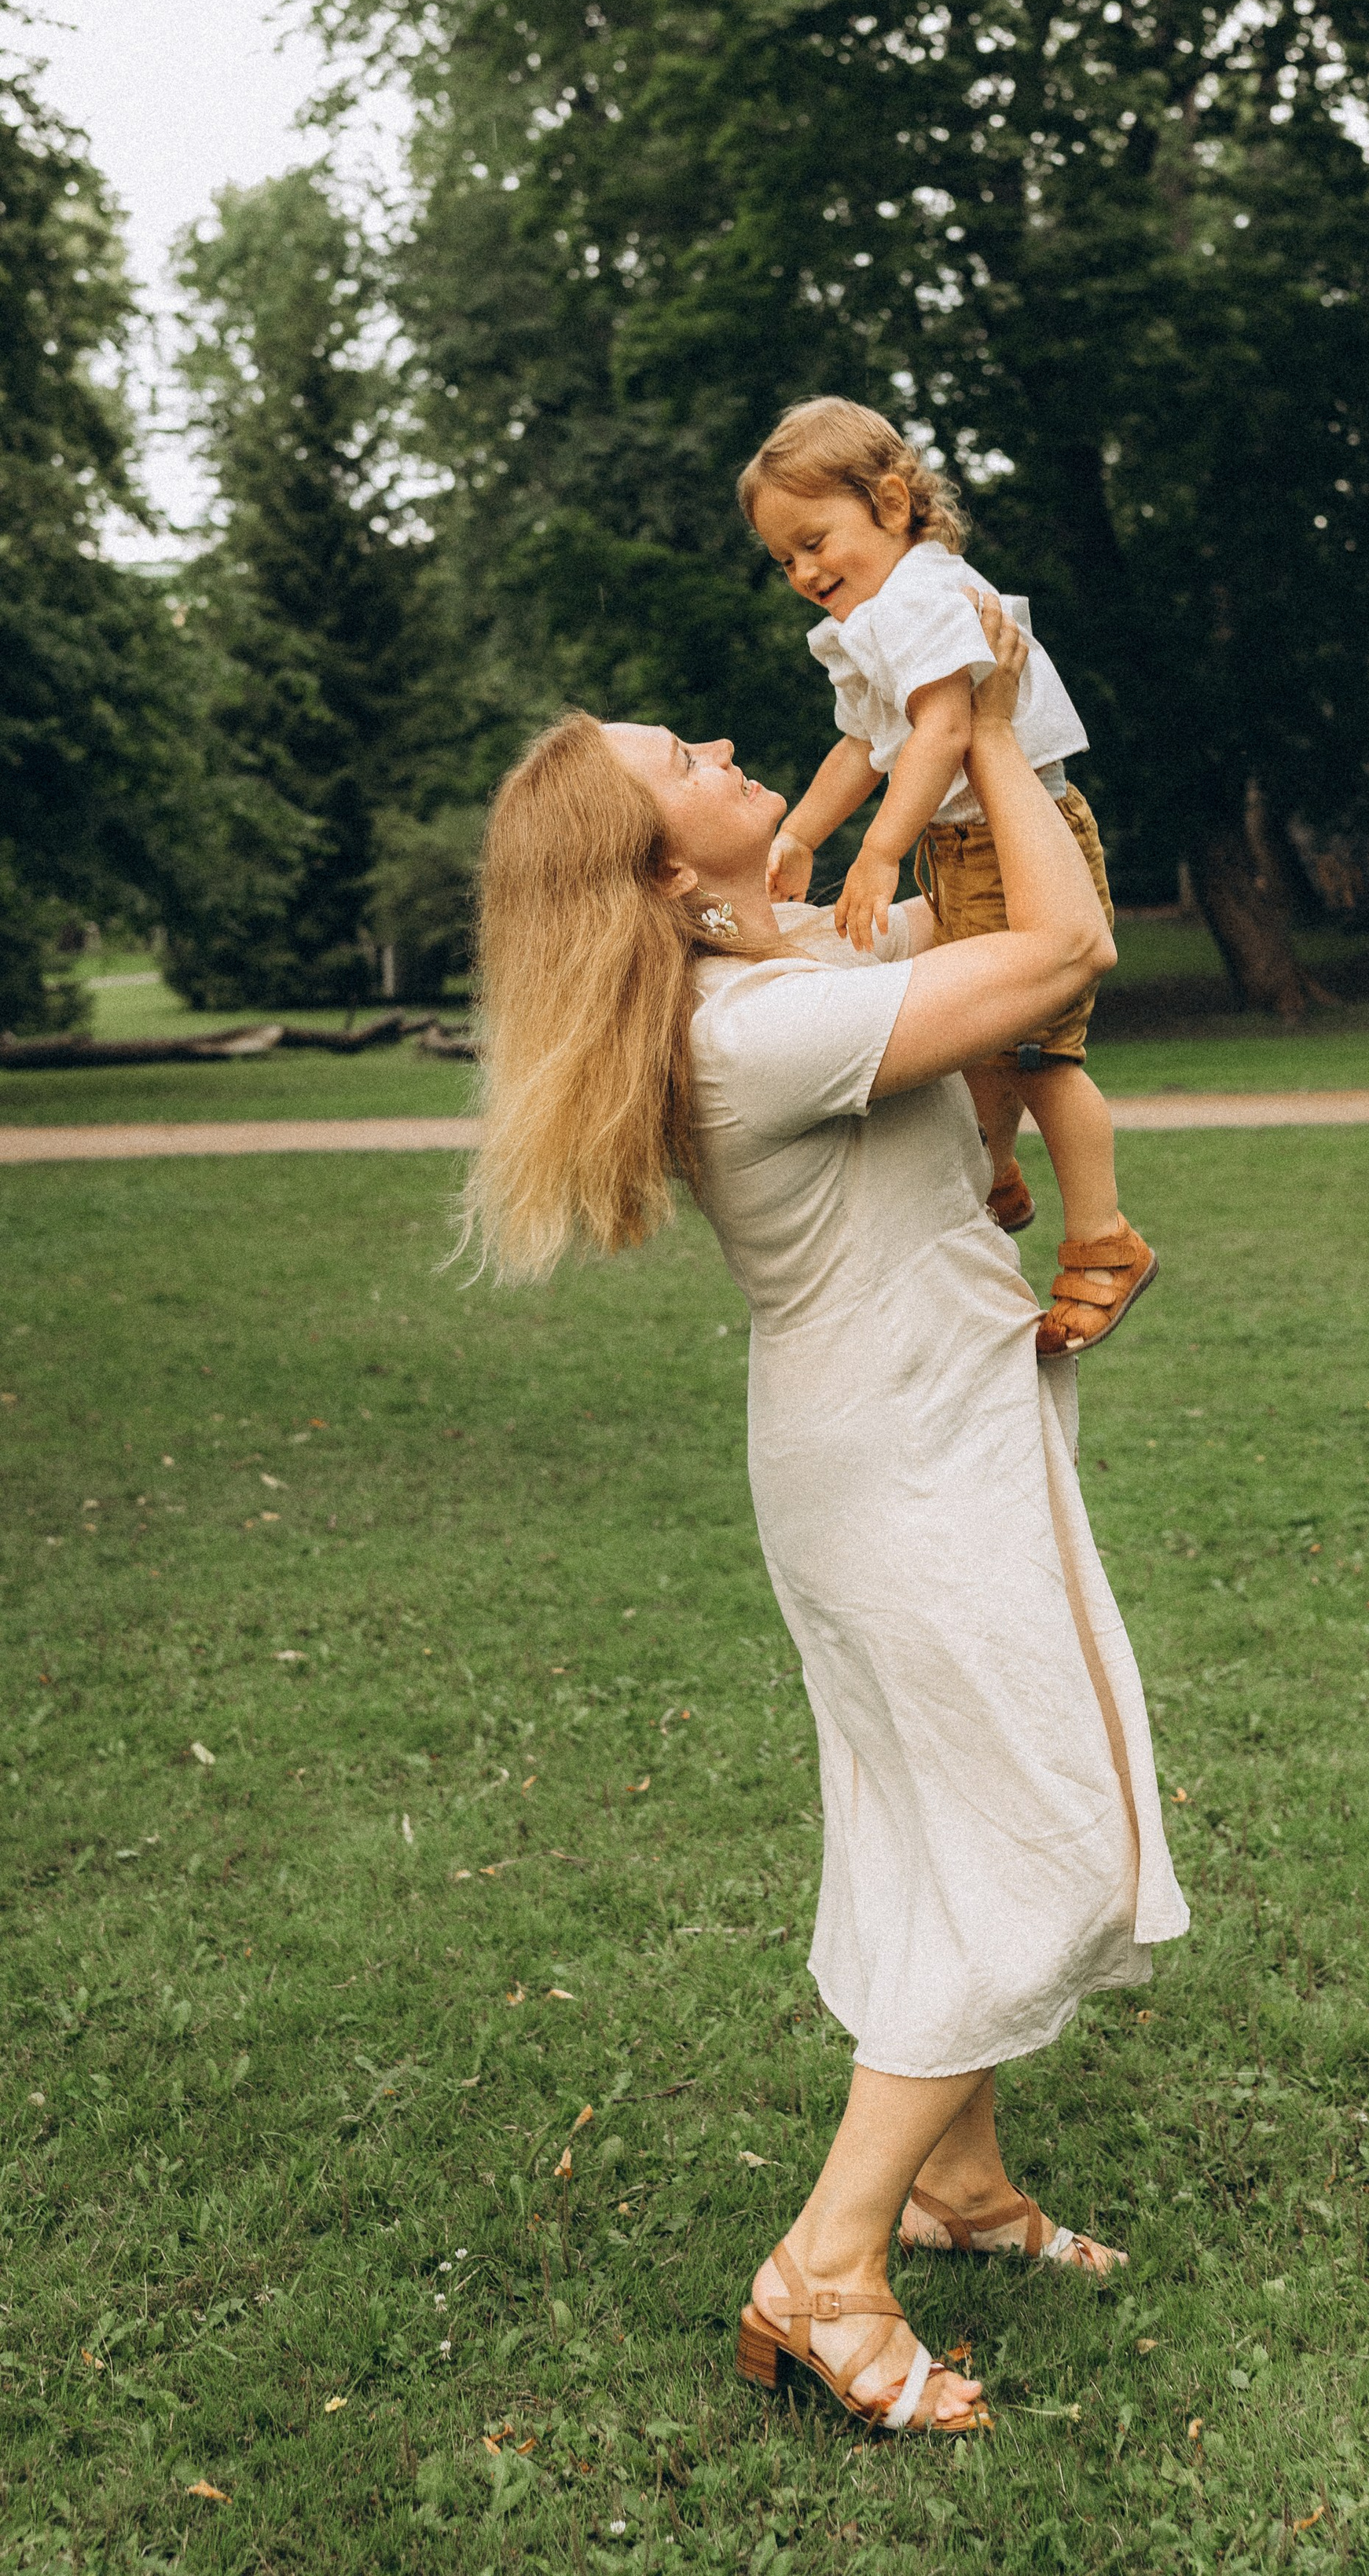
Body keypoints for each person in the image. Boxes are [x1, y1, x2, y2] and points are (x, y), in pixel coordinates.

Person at [458, 599, 1189, 2440]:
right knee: (1041, 1832)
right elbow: (1068, 947)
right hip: (902, 1459)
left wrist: (946, 745)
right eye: (681, 765)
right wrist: (981, 715)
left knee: (934, 1812)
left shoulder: (781, 964)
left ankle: (958, 2185)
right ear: (659, 870)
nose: (720, 747)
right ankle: (825, 2271)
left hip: (892, 1435)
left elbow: (1000, 912)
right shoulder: (757, 1027)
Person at [740, 395, 1158, 1361]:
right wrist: (800, 834)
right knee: (983, 1033)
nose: (803, 572)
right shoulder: (874, 614)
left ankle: (1104, 1239)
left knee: (1042, 1055)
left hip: (1021, 842)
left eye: (814, 541)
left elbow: (945, 730)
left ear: (892, 504)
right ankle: (995, 1176)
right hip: (967, 845)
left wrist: (879, 851)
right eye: (783, 560)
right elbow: (865, 743)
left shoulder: (922, 596)